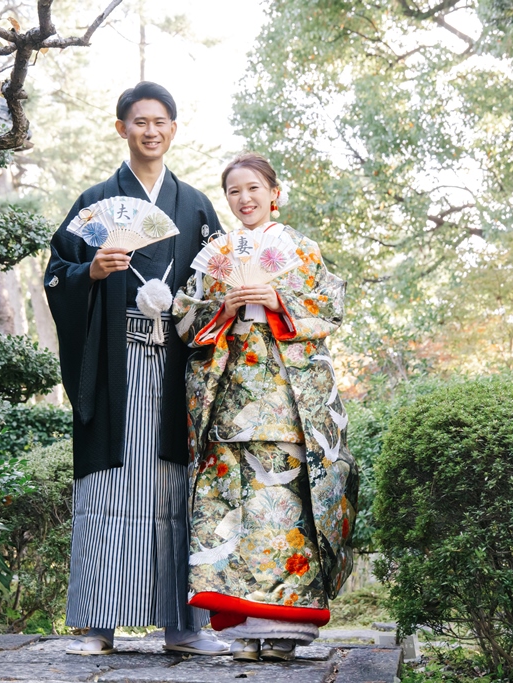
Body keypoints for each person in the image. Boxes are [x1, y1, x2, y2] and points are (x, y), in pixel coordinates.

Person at [44, 82, 228, 656]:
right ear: (120, 127)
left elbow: (217, 281)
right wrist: (91, 273)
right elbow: (56, 273)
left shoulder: (194, 204)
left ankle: (183, 626)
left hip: (173, 366)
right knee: (110, 487)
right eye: (139, 121)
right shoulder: (97, 199)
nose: (151, 130)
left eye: (161, 121)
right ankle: (98, 626)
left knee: (175, 492)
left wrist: (189, 306)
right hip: (113, 363)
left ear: (174, 129)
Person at [171, 153, 359, 662]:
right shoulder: (217, 252)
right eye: (234, 191)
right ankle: (245, 632)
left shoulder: (301, 249)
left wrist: (279, 302)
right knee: (236, 517)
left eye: (253, 188)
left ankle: (284, 630)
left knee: (285, 514)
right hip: (230, 401)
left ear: (275, 193)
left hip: (287, 402)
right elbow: (185, 319)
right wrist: (222, 308)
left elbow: (331, 305)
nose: (244, 199)